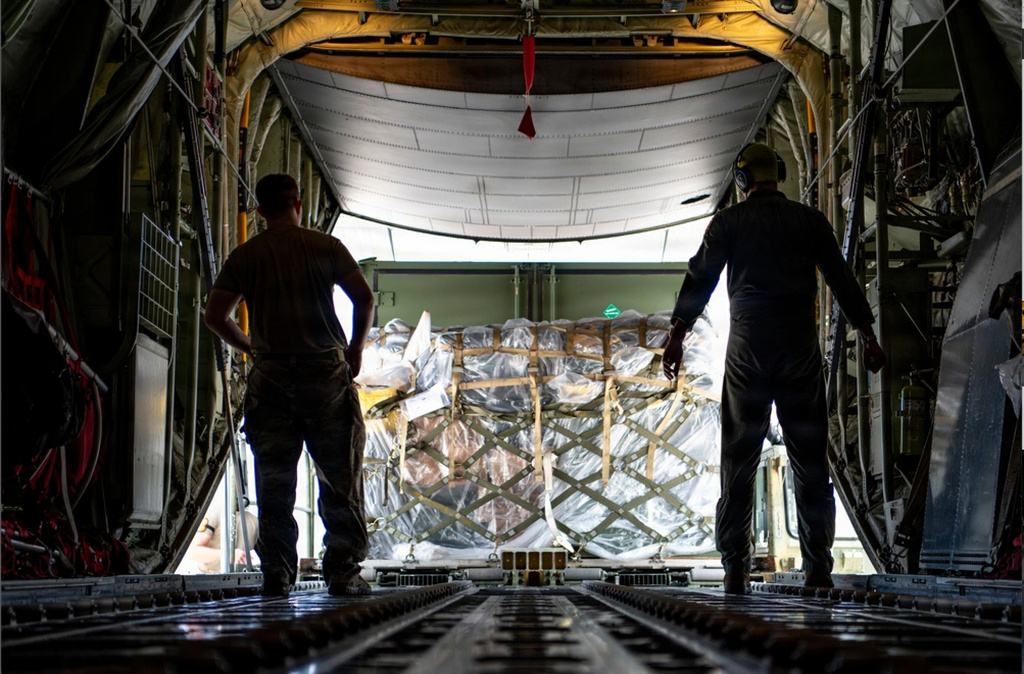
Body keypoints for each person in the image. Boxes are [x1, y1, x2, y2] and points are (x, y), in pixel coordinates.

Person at [662, 143, 886, 594]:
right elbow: (841, 277)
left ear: (742, 181)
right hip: (798, 348)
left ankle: (735, 570)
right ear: (779, 174)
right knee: (808, 460)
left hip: (748, 350)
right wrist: (867, 332)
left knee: (739, 460)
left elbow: (700, 277)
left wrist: (677, 334)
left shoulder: (728, 222)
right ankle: (818, 570)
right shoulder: (808, 221)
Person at [204, 174, 375, 597]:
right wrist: (354, 351)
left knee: (275, 484)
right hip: (327, 380)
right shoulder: (326, 247)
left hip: (272, 381)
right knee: (341, 480)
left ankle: (278, 574)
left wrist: (251, 347)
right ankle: (342, 572)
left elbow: (214, 316)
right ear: (298, 203)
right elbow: (364, 299)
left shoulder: (246, 256)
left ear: (260, 212)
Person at [181, 508, 259, 574]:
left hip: (241, 580)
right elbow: (193, 552)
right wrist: (229, 555)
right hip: (211, 579)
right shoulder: (214, 514)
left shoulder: (254, 520)